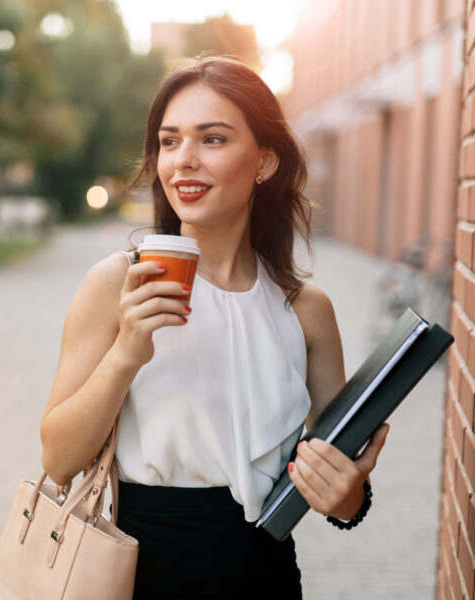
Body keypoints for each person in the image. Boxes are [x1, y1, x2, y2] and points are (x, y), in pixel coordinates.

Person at [39, 55, 389, 599]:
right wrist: (127, 352)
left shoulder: (305, 310)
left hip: (267, 583)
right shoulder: (119, 283)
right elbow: (58, 461)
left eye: (213, 139)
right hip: (141, 581)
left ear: (264, 161)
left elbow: (340, 482)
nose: (185, 160)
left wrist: (347, 497)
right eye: (170, 141)